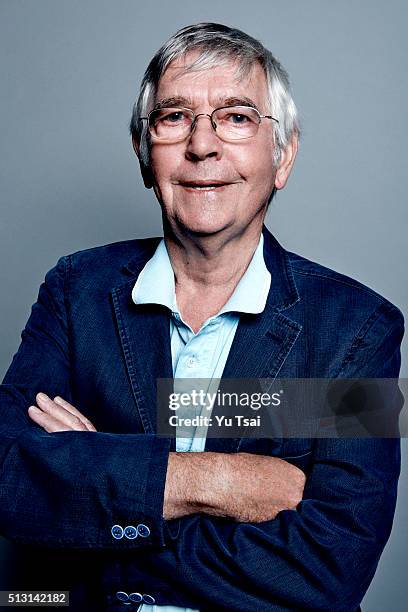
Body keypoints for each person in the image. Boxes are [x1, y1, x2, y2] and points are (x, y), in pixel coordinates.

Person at [0, 22, 404, 612]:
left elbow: (332, 567)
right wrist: (218, 483)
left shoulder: (362, 329)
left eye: (237, 117)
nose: (202, 145)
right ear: (143, 154)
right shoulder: (74, 290)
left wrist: (96, 485)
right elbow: (9, 480)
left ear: (283, 156)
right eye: (174, 117)